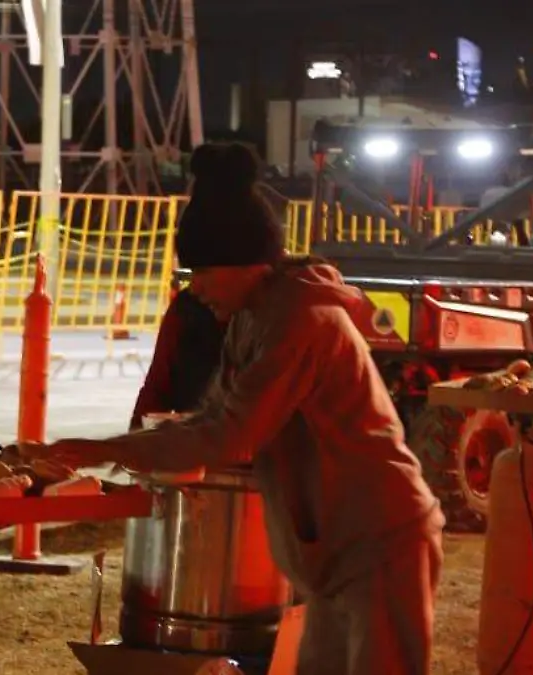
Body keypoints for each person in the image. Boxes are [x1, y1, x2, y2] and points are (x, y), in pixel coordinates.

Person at [23, 151, 445, 675]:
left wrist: (101, 451)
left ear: (245, 263)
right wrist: (103, 453)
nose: (194, 288)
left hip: (380, 542)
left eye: (201, 271)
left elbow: (227, 435)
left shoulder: (302, 321)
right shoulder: (250, 319)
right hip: (336, 554)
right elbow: (206, 420)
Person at [130, 144, 241, 430]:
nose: (196, 287)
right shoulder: (188, 309)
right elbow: (157, 388)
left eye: (204, 272)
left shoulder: (285, 321)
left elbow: (244, 429)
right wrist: (134, 444)